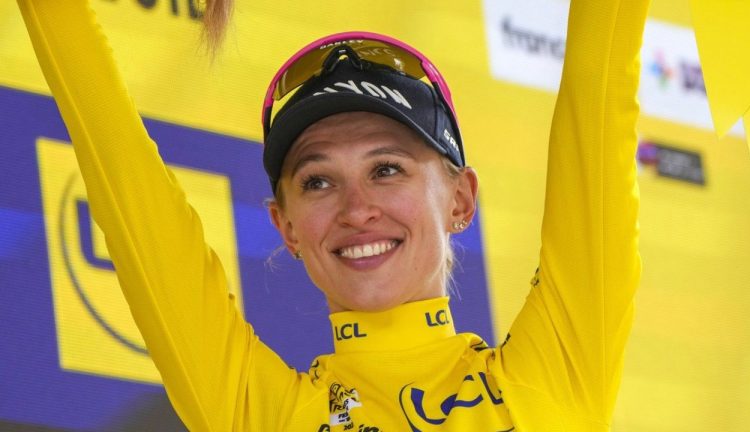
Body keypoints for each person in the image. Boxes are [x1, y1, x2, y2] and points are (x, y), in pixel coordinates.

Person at [18, 0, 647, 430]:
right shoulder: (260, 412)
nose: (356, 209)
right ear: (286, 226)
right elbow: (121, 176)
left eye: (387, 168)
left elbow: (600, 92)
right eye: (318, 181)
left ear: (461, 199)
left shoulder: (556, 368)